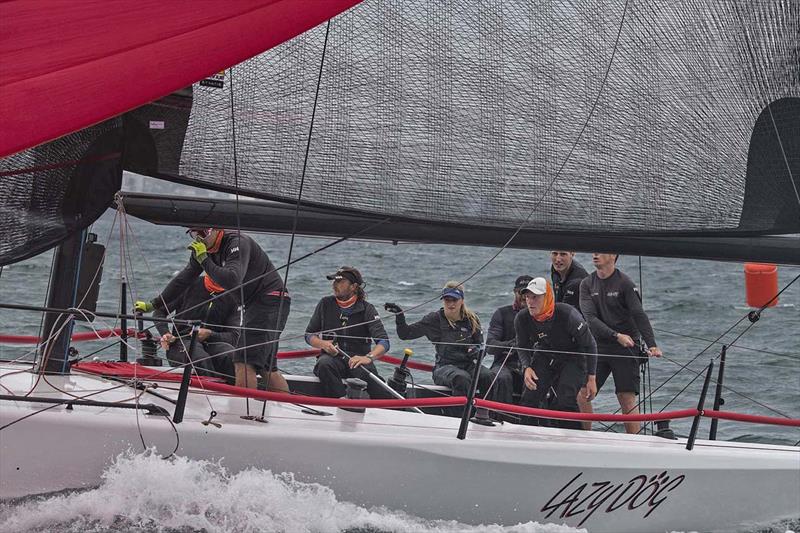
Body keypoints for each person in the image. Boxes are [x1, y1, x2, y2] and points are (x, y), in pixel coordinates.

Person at [135, 227, 290, 391]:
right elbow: (183, 279)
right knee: (267, 367)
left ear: (217, 230)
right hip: (256, 304)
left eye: (203, 234)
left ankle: (243, 413)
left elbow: (232, 279)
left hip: (268, 300)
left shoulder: (236, 242)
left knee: (242, 360)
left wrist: (204, 259)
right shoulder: (202, 257)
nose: (198, 239)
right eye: (194, 234)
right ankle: (285, 409)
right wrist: (155, 304)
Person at [578, 253, 662, 434]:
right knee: (583, 394)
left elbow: (639, 314)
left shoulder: (625, 283)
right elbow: (590, 319)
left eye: (600, 251)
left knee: (625, 396)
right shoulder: (586, 284)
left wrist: (652, 344)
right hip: (599, 345)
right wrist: (616, 335)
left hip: (626, 347)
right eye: (593, 251)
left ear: (613, 256)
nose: (595, 254)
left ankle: (635, 442)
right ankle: (584, 436)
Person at [387, 282, 495, 415]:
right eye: (447, 300)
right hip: (444, 367)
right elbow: (405, 334)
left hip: (467, 364)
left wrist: (476, 352)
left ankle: (487, 416)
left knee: (489, 376)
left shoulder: (472, 319)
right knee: (461, 378)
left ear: (462, 300)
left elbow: (481, 346)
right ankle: (457, 419)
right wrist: (400, 316)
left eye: (454, 300)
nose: (451, 304)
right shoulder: (434, 319)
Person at [515, 277, 597, 430]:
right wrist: (526, 367)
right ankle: (526, 434)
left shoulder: (567, 314)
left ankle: (574, 438)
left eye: (535, 297)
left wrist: (591, 378)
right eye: (527, 297)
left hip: (574, 355)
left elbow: (590, 344)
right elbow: (522, 345)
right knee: (530, 396)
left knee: (565, 399)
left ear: (546, 298)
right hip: (545, 354)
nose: (530, 302)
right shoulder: (522, 318)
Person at [305, 266, 392, 399]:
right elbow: (309, 334)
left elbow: (384, 342)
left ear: (353, 286)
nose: (335, 285)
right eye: (334, 281)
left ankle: (388, 409)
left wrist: (368, 358)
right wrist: (323, 344)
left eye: (340, 282)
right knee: (324, 364)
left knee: (373, 382)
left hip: (358, 360)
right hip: (333, 359)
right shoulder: (325, 304)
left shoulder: (367, 309)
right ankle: (340, 401)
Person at [151, 275, 238, 382]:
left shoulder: (232, 296)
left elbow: (234, 337)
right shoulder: (188, 284)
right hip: (180, 342)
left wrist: (210, 334)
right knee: (199, 357)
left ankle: (238, 394)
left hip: (212, 344)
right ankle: (210, 394)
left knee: (232, 356)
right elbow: (159, 311)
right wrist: (166, 333)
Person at [485, 275, 532, 405]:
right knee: (501, 378)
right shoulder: (502, 314)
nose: (524, 296)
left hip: (531, 366)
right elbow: (490, 346)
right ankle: (501, 417)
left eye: (528, 293)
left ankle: (531, 421)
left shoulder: (541, 316)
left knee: (537, 380)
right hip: (504, 364)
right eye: (520, 292)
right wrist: (510, 344)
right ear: (514, 292)